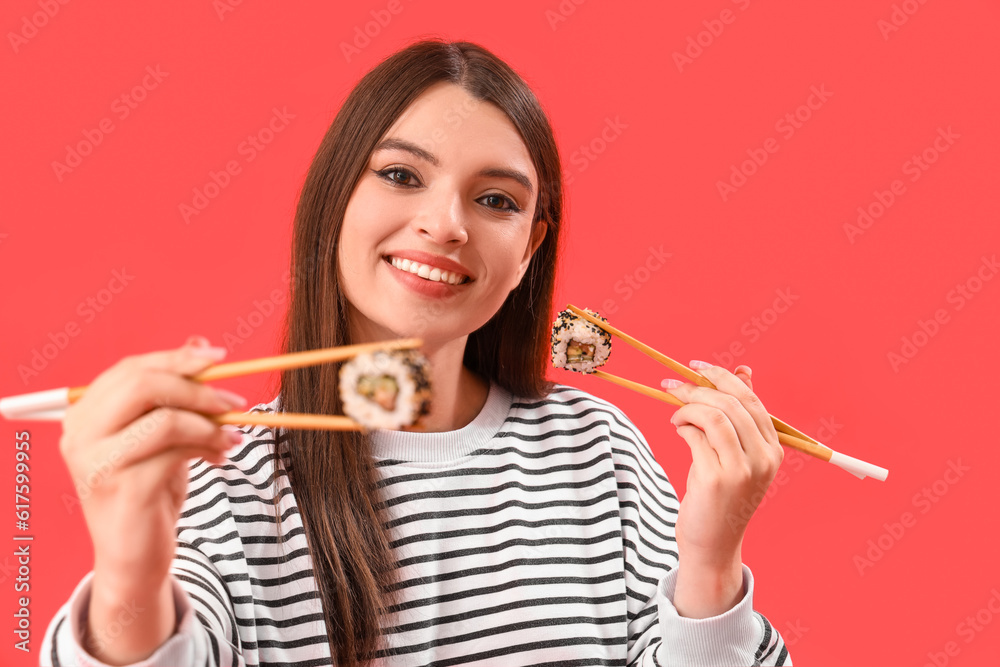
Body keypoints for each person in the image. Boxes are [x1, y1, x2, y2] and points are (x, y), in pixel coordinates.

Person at [41, 39, 792, 666]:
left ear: (530, 246)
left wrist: (711, 563)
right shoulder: (224, 468)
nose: (445, 224)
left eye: (495, 199)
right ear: (336, 197)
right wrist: (128, 572)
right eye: (401, 175)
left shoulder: (598, 450)